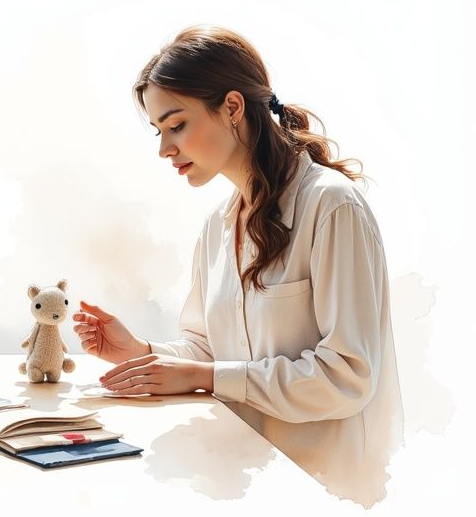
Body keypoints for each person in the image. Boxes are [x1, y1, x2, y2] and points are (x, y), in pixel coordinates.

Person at [72, 26, 403, 506]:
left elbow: (346, 376)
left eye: (177, 125)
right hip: (243, 484)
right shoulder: (217, 225)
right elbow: (210, 351)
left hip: (327, 492)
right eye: (159, 131)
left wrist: (202, 377)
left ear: (231, 107)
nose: (165, 149)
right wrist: (138, 352)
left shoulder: (331, 207)